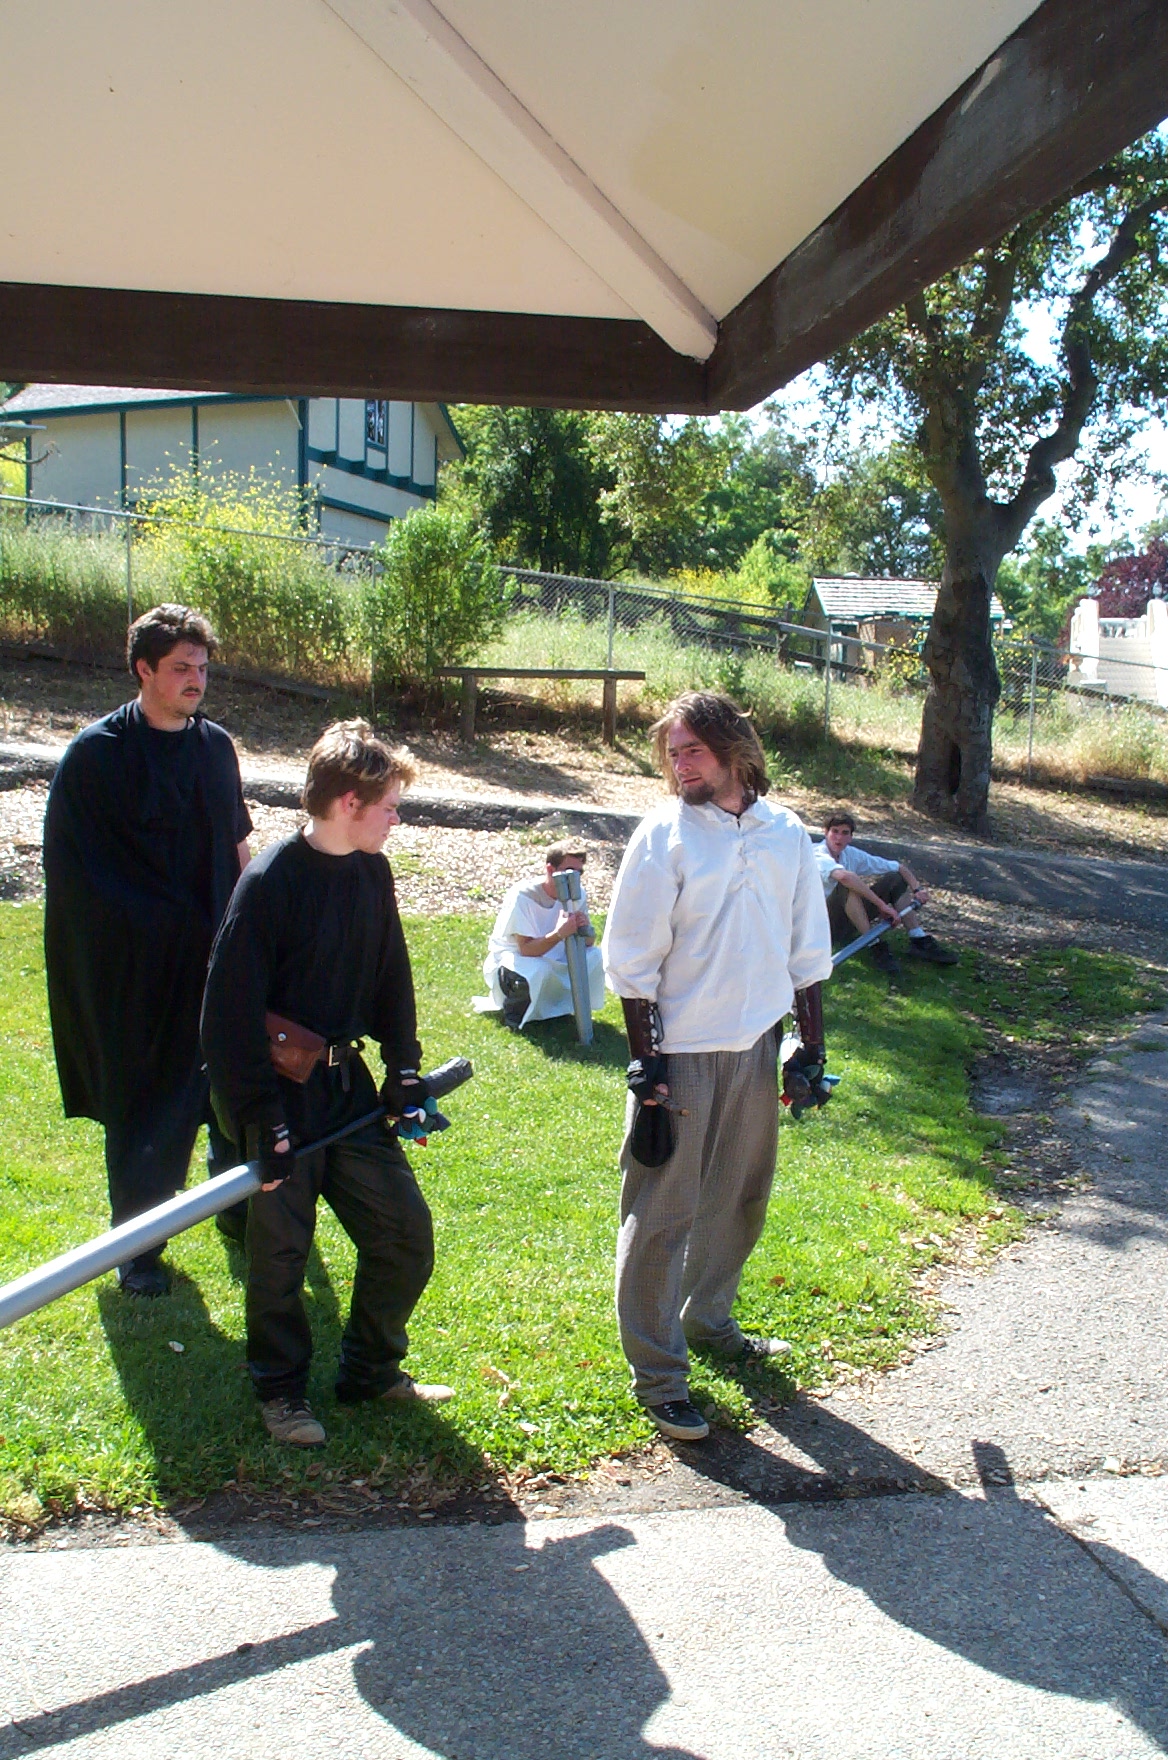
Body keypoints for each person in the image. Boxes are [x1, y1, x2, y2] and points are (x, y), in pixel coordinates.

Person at [201, 719, 452, 1448]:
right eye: (389, 807)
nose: (396, 819)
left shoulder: (372, 872)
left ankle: (370, 1370)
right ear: (349, 802)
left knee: (404, 1233)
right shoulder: (269, 882)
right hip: (280, 1095)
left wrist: (404, 1068)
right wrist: (260, 1119)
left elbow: (391, 975)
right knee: (279, 1256)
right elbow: (227, 1015)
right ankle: (280, 1392)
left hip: (348, 1093)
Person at [602, 691, 834, 1443]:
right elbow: (631, 961)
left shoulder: (785, 833)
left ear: (734, 750)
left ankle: (708, 1320)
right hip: (681, 1055)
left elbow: (807, 950)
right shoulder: (664, 835)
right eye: (673, 753)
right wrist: (648, 1065)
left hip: (756, 1049)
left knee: (739, 1199)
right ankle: (659, 1376)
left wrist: (810, 1047)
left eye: (693, 751)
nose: (680, 765)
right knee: (661, 1215)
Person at [43, 603, 252, 1298]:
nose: (196, 680)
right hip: (136, 972)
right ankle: (137, 1250)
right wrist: (144, 934)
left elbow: (236, 842)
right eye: (181, 668)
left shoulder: (215, 747)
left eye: (203, 668)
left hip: (213, 961)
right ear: (143, 669)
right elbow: (75, 877)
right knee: (145, 1105)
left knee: (230, 1091)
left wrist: (254, 922)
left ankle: (239, 1211)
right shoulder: (96, 756)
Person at [476, 843, 606, 1029]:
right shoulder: (523, 895)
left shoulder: (577, 894)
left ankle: (564, 1008)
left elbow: (588, 943)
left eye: (579, 873)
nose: (574, 879)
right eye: (569, 872)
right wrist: (559, 934)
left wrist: (584, 928)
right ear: (550, 870)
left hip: (556, 953)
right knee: (538, 969)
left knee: (595, 956)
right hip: (519, 958)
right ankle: (516, 1010)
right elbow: (526, 949)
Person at [815, 810, 959, 975]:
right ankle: (874, 945)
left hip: (848, 919)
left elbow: (898, 867)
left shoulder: (850, 854)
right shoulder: (816, 853)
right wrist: (881, 905)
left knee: (895, 879)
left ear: (851, 837)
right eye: (834, 832)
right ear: (825, 833)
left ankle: (918, 939)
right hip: (822, 925)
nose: (839, 838)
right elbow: (844, 877)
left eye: (844, 833)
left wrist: (917, 889)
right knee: (846, 885)